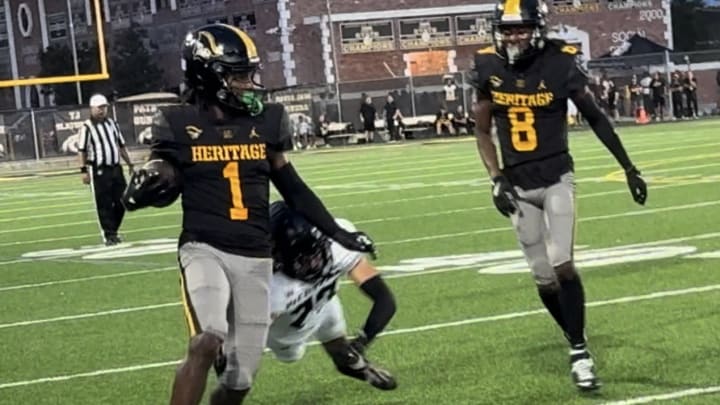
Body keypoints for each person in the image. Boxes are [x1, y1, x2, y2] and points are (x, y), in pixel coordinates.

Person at [121, 24, 376, 405]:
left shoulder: (265, 122)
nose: (247, 83)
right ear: (207, 75)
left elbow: (294, 188)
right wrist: (145, 187)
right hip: (204, 248)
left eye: (247, 74)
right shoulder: (177, 122)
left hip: (257, 256)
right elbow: (163, 176)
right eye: (237, 75)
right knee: (207, 339)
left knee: (239, 380)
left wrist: (339, 235)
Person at [472, 0, 647, 391]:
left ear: (537, 29)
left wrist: (628, 166)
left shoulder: (560, 62)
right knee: (543, 278)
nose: (513, 36)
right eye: (507, 29)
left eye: (520, 29)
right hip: (517, 185)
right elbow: (482, 130)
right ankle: (574, 340)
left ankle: (580, 352)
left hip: (555, 177)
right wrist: (495, 178)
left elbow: (596, 117)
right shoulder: (488, 66)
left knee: (562, 263)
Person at [264, 201, 397, 390]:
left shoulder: (339, 242)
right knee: (289, 356)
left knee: (343, 353)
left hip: (325, 304)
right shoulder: (270, 288)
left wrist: (360, 343)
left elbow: (385, 300)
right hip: (285, 329)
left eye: (313, 253)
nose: (312, 263)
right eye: (301, 258)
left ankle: (360, 367)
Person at [78, 93, 134, 246]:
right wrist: (83, 170)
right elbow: (82, 150)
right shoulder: (87, 127)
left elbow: (121, 145)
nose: (103, 111)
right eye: (99, 108)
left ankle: (112, 230)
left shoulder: (112, 124)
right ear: (92, 109)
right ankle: (109, 234)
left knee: (123, 200)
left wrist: (130, 164)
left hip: (116, 168)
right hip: (99, 169)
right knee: (104, 203)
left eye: (104, 107)